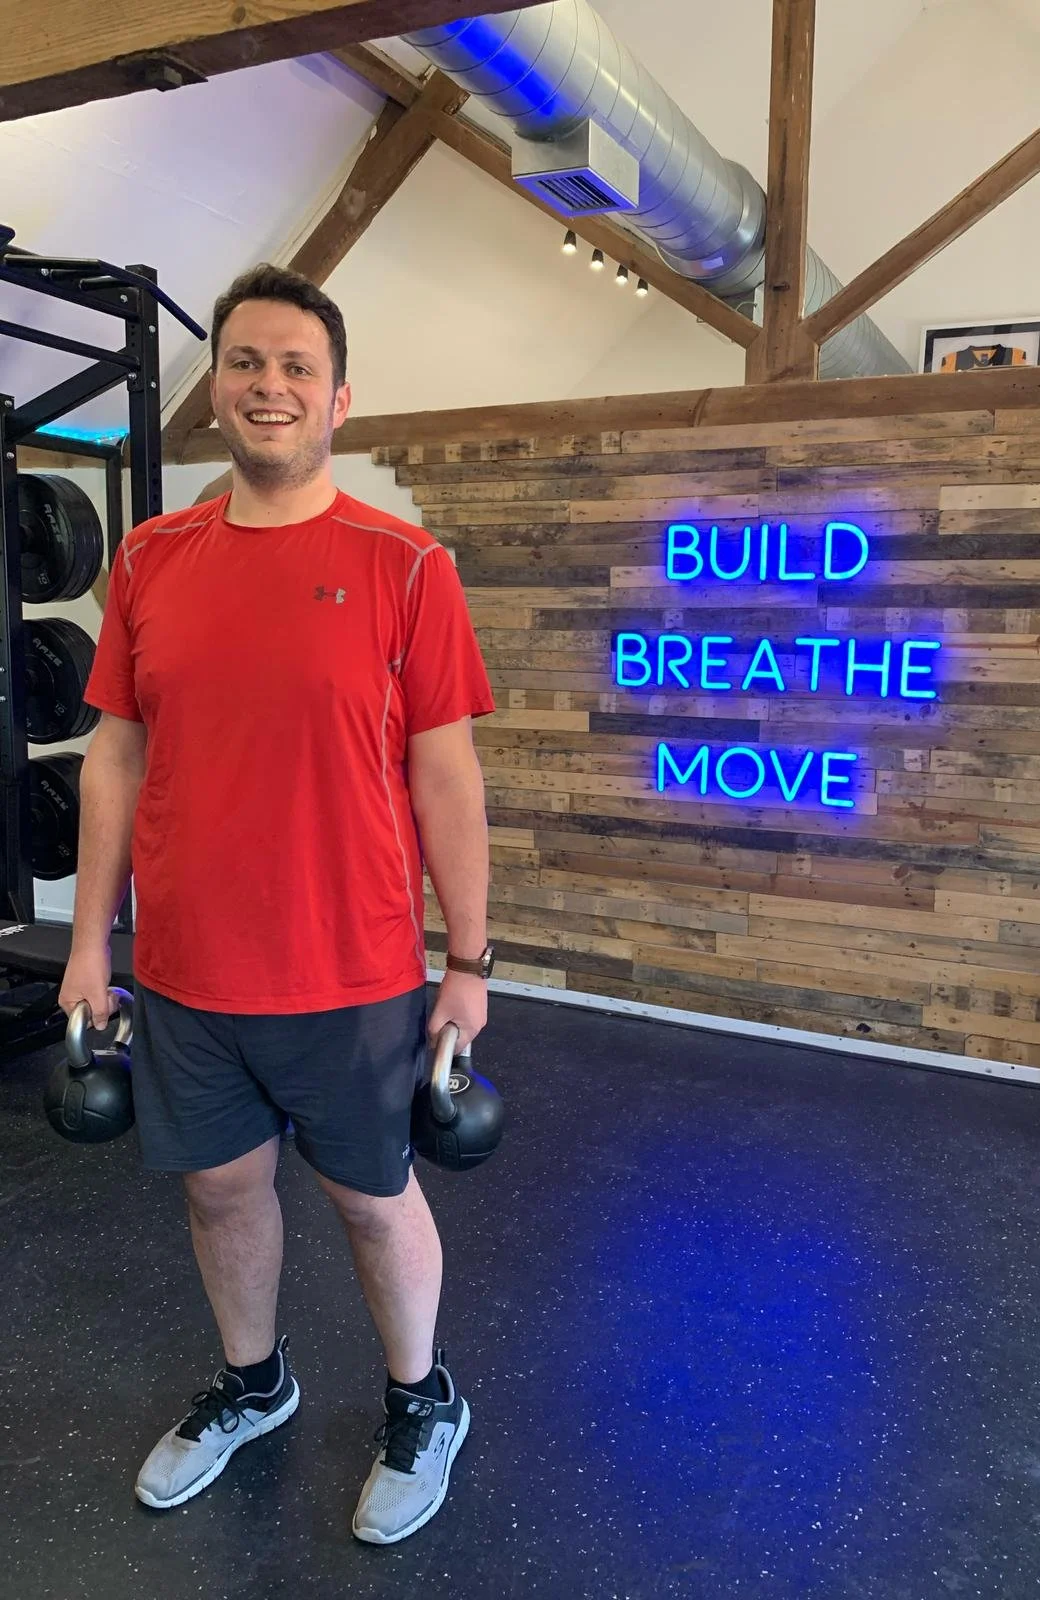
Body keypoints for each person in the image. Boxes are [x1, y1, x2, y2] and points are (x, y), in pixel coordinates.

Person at [58, 262, 495, 1545]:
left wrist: (468, 959)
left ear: (338, 399)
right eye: (247, 362)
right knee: (219, 1193)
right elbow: (115, 756)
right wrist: (91, 943)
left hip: (352, 969)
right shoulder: (148, 559)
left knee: (371, 1199)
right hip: (188, 971)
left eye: (297, 366)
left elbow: (446, 770)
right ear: (217, 388)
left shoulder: (406, 564)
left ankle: (424, 1401)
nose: (269, 385)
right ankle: (256, 1385)